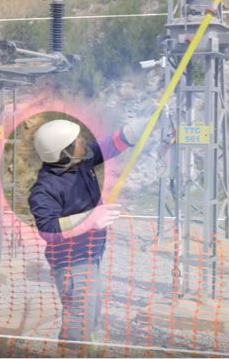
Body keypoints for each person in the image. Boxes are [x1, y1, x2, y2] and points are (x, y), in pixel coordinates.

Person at [28, 116, 153, 357]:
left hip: (90, 254)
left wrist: (145, 123)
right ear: (64, 152)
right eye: (77, 140)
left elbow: (109, 145)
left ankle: (91, 354)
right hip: (72, 262)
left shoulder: (79, 161)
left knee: (92, 316)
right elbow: (48, 229)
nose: (83, 141)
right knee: (79, 319)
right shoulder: (45, 189)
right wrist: (90, 220)